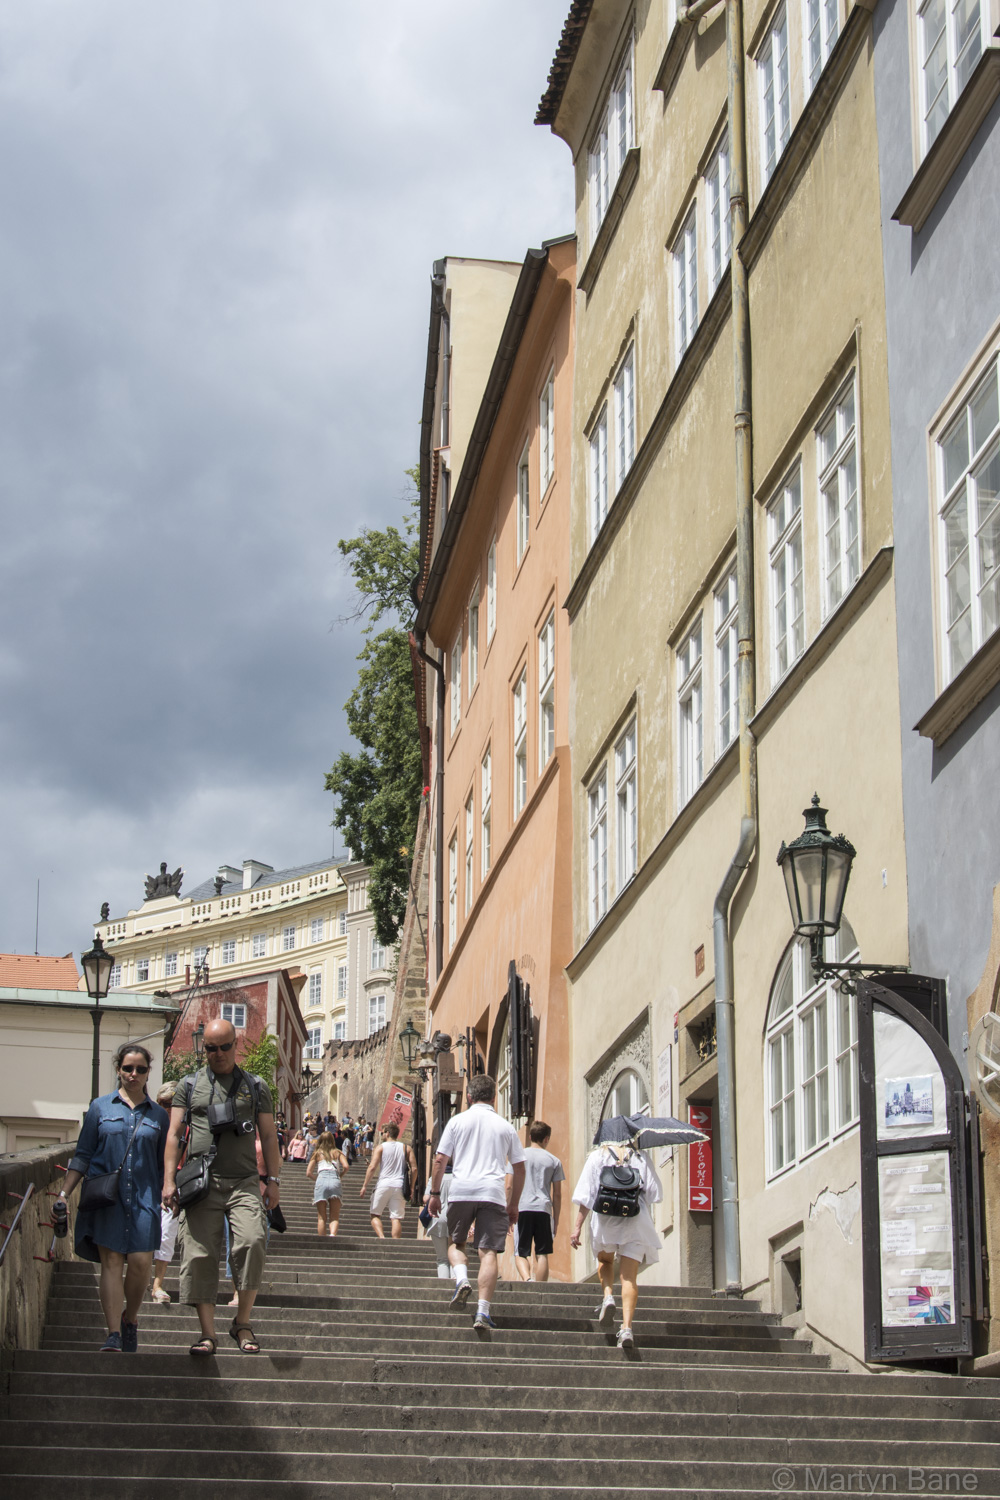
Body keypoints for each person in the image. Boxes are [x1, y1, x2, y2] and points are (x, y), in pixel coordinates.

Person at [162, 1018, 282, 1356]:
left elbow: (269, 1135)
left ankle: (242, 1322)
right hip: (202, 1182)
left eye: (224, 1046)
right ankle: (207, 1333)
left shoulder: (256, 1086)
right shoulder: (189, 1084)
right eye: (211, 1048)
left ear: (236, 1044)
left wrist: (273, 1180)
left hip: (244, 1181)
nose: (218, 1053)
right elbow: (174, 1134)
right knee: (199, 1254)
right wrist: (168, 1180)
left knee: (252, 1241)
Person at [57, 1043, 169, 1352]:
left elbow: (164, 1163)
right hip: (107, 1198)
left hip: (145, 1198)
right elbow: (82, 1155)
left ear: (148, 1073)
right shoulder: (100, 1108)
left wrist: (168, 1190)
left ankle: (130, 1318)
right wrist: (64, 1193)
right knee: (111, 1261)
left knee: (141, 1262)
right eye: (128, 1068)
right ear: (118, 1069)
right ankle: (114, 1333)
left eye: (140, 1069)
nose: (134, 1074)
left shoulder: (159, 1116)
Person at [428, 1074, 525, 1332]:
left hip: (462, 1191)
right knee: (488, 1252)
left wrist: (435, 1193)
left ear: (469, 1097)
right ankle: (483, 1311)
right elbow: (519, 1168)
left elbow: (440, 1160)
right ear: (494, 1098)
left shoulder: (457, 1122)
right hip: (493, 1193)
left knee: (456, 1243)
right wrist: (514, 1204)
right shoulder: (505, 1126)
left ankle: (461, 1279)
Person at [569, 1139, 662, 1349]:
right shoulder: (641, 1157)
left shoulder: (597, 1157)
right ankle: (627, 1328)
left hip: (605, 1220)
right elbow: (654, 1193)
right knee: (629, 1278)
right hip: (635, 1220)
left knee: (605, 1261)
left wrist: (577, 1228)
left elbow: (586, 1196)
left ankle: (608, 1296)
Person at [514, 1120, 565, 1283]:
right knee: (542, 1253)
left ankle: (527, 1279)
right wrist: (556, 1219)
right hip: (543, 1209)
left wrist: (509, 1208)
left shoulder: (519, 1156)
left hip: (523, 1207)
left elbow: (509, 1185)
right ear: (546, 1139)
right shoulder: (554, 1161)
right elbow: (557, 1194)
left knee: (521, 1252)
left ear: (530, 1137)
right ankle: (541, 1288)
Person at [360, 1122, 416, 1239]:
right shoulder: (406, 1148)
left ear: (388, 1133)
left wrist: (365, 1185)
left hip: (383, 1184)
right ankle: (395, 1242)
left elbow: (372, 1167)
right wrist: (411, 1187)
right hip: (399, 1185)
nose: (382, 1135)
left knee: (375, 1215)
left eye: (383, 1133)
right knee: (396, 1218)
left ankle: (382, 1238)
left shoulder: (381, 1147)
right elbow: (414, 1169)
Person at [150, 1082, 179, 1304]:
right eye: (164, 1103)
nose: (168, 1108)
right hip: (149, 1184)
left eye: (173, 1104)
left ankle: (157, 1283)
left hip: (173, 1186)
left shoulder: (184, 1128)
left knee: (167, 1233)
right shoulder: (151, 1124)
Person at [306, 1131, 350, 1235]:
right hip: (335, 1179)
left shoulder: (317, 1153)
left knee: (321, 1217)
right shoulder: (337, 1152)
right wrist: (340, 1176)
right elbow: (346, 1166)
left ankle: (322, 1240)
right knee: (334, 1217)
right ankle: (332, 1235)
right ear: (332, 1140)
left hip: (321, 1179)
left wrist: (317, 1179)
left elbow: (308, 1173)